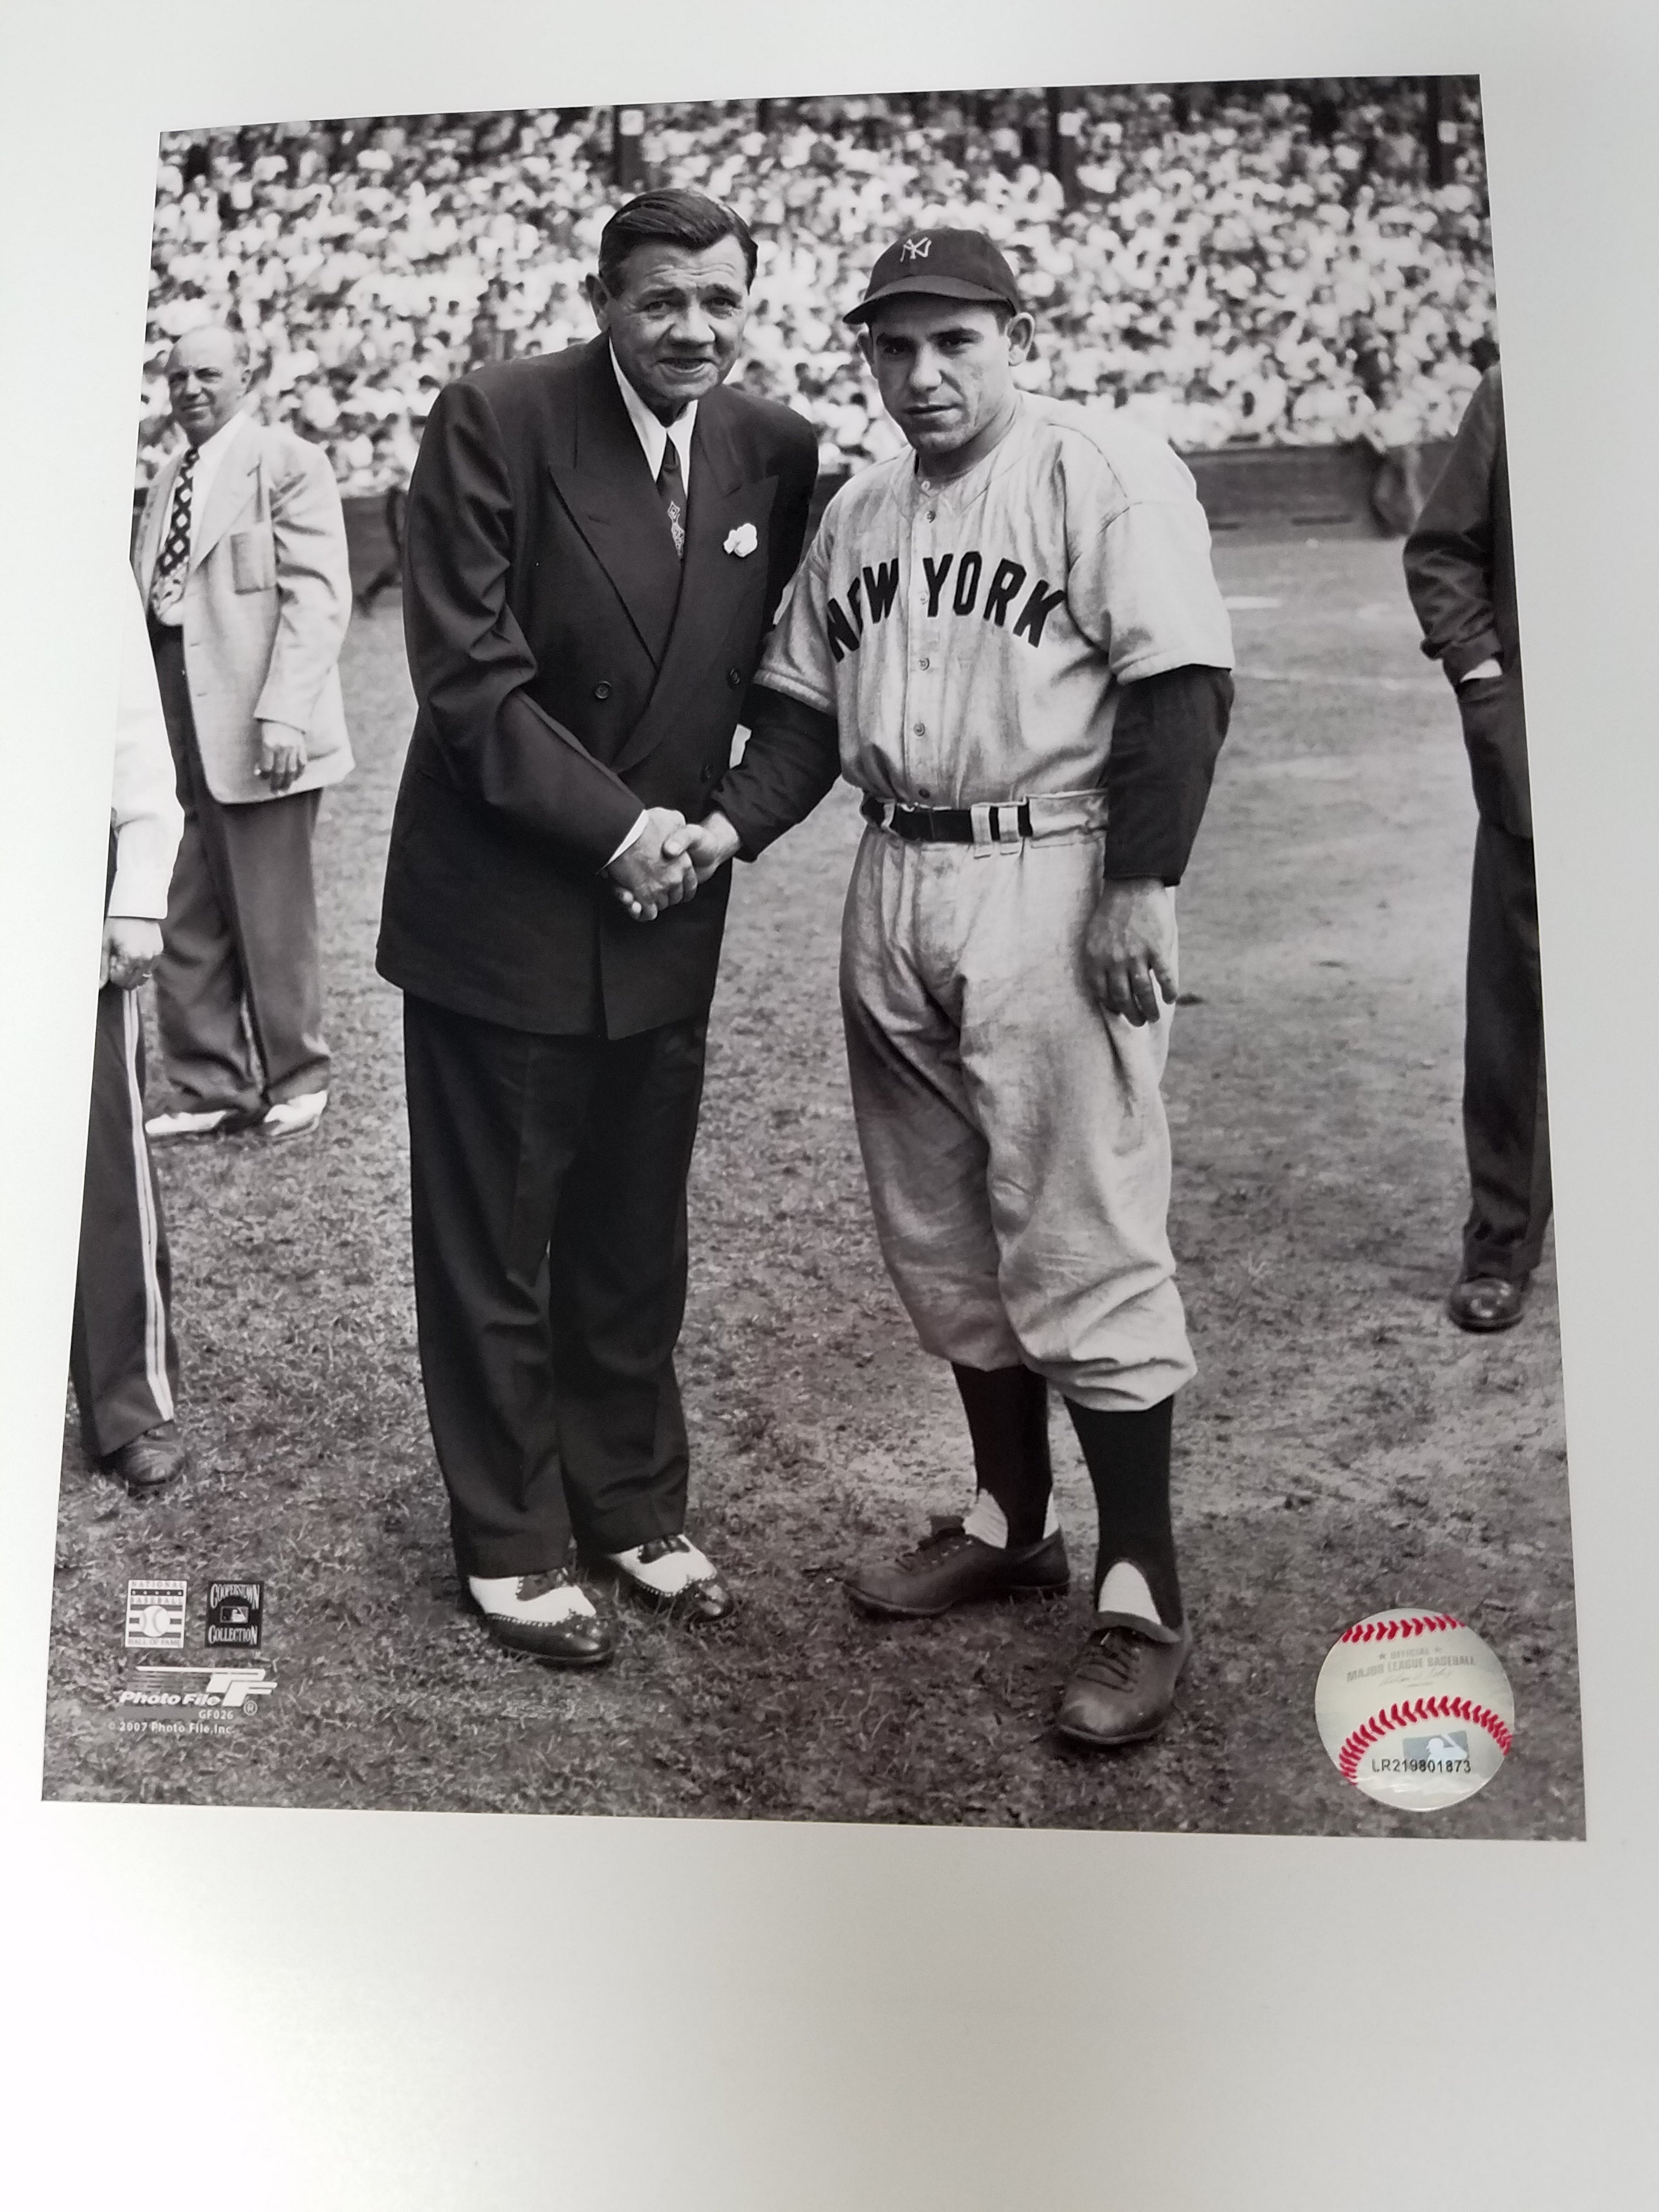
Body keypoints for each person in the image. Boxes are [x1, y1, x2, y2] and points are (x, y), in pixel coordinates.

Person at [674, 227, 1234, 1748]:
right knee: (941, 1234)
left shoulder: (1096, 470)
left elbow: (1181, 684)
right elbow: (796, 717)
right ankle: (1009, 1519)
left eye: (953, 343)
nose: (922, 375)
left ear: (1010, 332)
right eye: (895, 346)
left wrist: (1140, 882)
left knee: (1085, 1231)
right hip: (895, 873)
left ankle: (1140, 1591)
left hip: (1052, 870)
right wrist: (724, 829)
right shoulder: (858, 512)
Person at [377, 190, 818, 1667]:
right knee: (499, 1240)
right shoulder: (497, 418)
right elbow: (469, 685)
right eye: (661, 301)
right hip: (504, 914)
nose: (693, 327)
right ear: (604, 299)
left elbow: (792, 692)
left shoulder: (778, 449)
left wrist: (721, 826)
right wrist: (620, 830)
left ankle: (630, 1505)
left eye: (720, 301)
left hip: (669, 909)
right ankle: (511, 1542)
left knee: (634, 1238)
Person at [133, 323, 354, 1146]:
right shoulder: (167, 478)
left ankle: (298, 1074)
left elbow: (317, 594)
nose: (190, 389)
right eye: (177, 376)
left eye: (207, 374)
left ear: (247, 377)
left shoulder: (286, 459)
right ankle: (207, 1082)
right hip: (170, 699)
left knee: (270, 905)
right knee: (181, 897)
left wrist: (285, 709)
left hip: (257, 712)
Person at [1403, 364, 1547, 1330]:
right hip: (1548, 744)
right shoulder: (1523, 383)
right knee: (1517, 1007)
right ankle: (1500, 1239)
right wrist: (1486, 684)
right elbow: (1444, 549)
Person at [71, 575, 189, 1491]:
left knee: (98, 1140)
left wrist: (139, 887)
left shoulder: (55, 516)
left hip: (54, 853)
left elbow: (125, 714)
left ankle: (129, 1402)